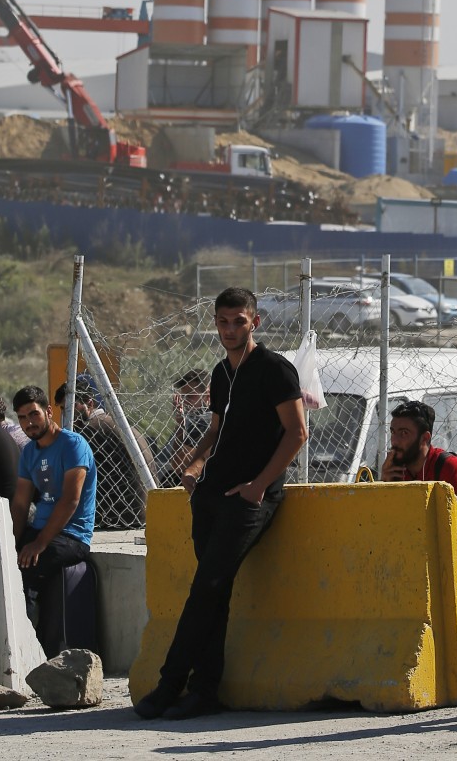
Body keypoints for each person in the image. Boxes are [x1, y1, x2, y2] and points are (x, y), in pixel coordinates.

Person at [134, 287, 306, 722]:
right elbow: (215, 430)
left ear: (255, 322)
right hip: (210, 495)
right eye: (223, 322)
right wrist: (193, 466)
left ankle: (170, 684)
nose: (230, 330)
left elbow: (297, 433)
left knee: (205, 589)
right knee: (214, 592)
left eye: (239, 322)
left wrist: (259, 486)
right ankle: (205, 691)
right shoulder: (219, 372)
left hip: (249, 501)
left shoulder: (275, 369)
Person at [10, 385, 98, 656]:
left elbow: (70, 500)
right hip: (40, 532)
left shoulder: (73, 445)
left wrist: (38, 544)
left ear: (48, 411)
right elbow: (21, 503)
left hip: (72, 535)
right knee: (5, 568)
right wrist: (10, 543)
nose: (28, 423)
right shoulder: (28, 453)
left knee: (28, 571)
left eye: (33, 415)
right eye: (22, 418)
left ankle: (31, 653)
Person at [379, 399, 457, 591]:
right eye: (393, 432)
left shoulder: (449, 466)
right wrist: (387, 486)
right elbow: (390, 527)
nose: (395, 441)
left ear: (425, 438)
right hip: (427, 552)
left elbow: (451, 527)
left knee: (429, 551)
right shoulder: (398, 471)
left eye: (404, 434)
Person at [54, 378, 151, 529]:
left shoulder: (90, 431)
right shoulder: (114, 423)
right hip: (143, 513)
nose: (67, 416)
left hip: (119, 519)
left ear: (90, 403)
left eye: (72, 409)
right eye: (62, 409)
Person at [153, 369, 212, 488]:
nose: (185, 402)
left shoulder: (202, 421)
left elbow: (178, 464)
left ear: (207, 395)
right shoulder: (198, 419)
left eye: (190, 396)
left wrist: (180, 424)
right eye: (183, 397)